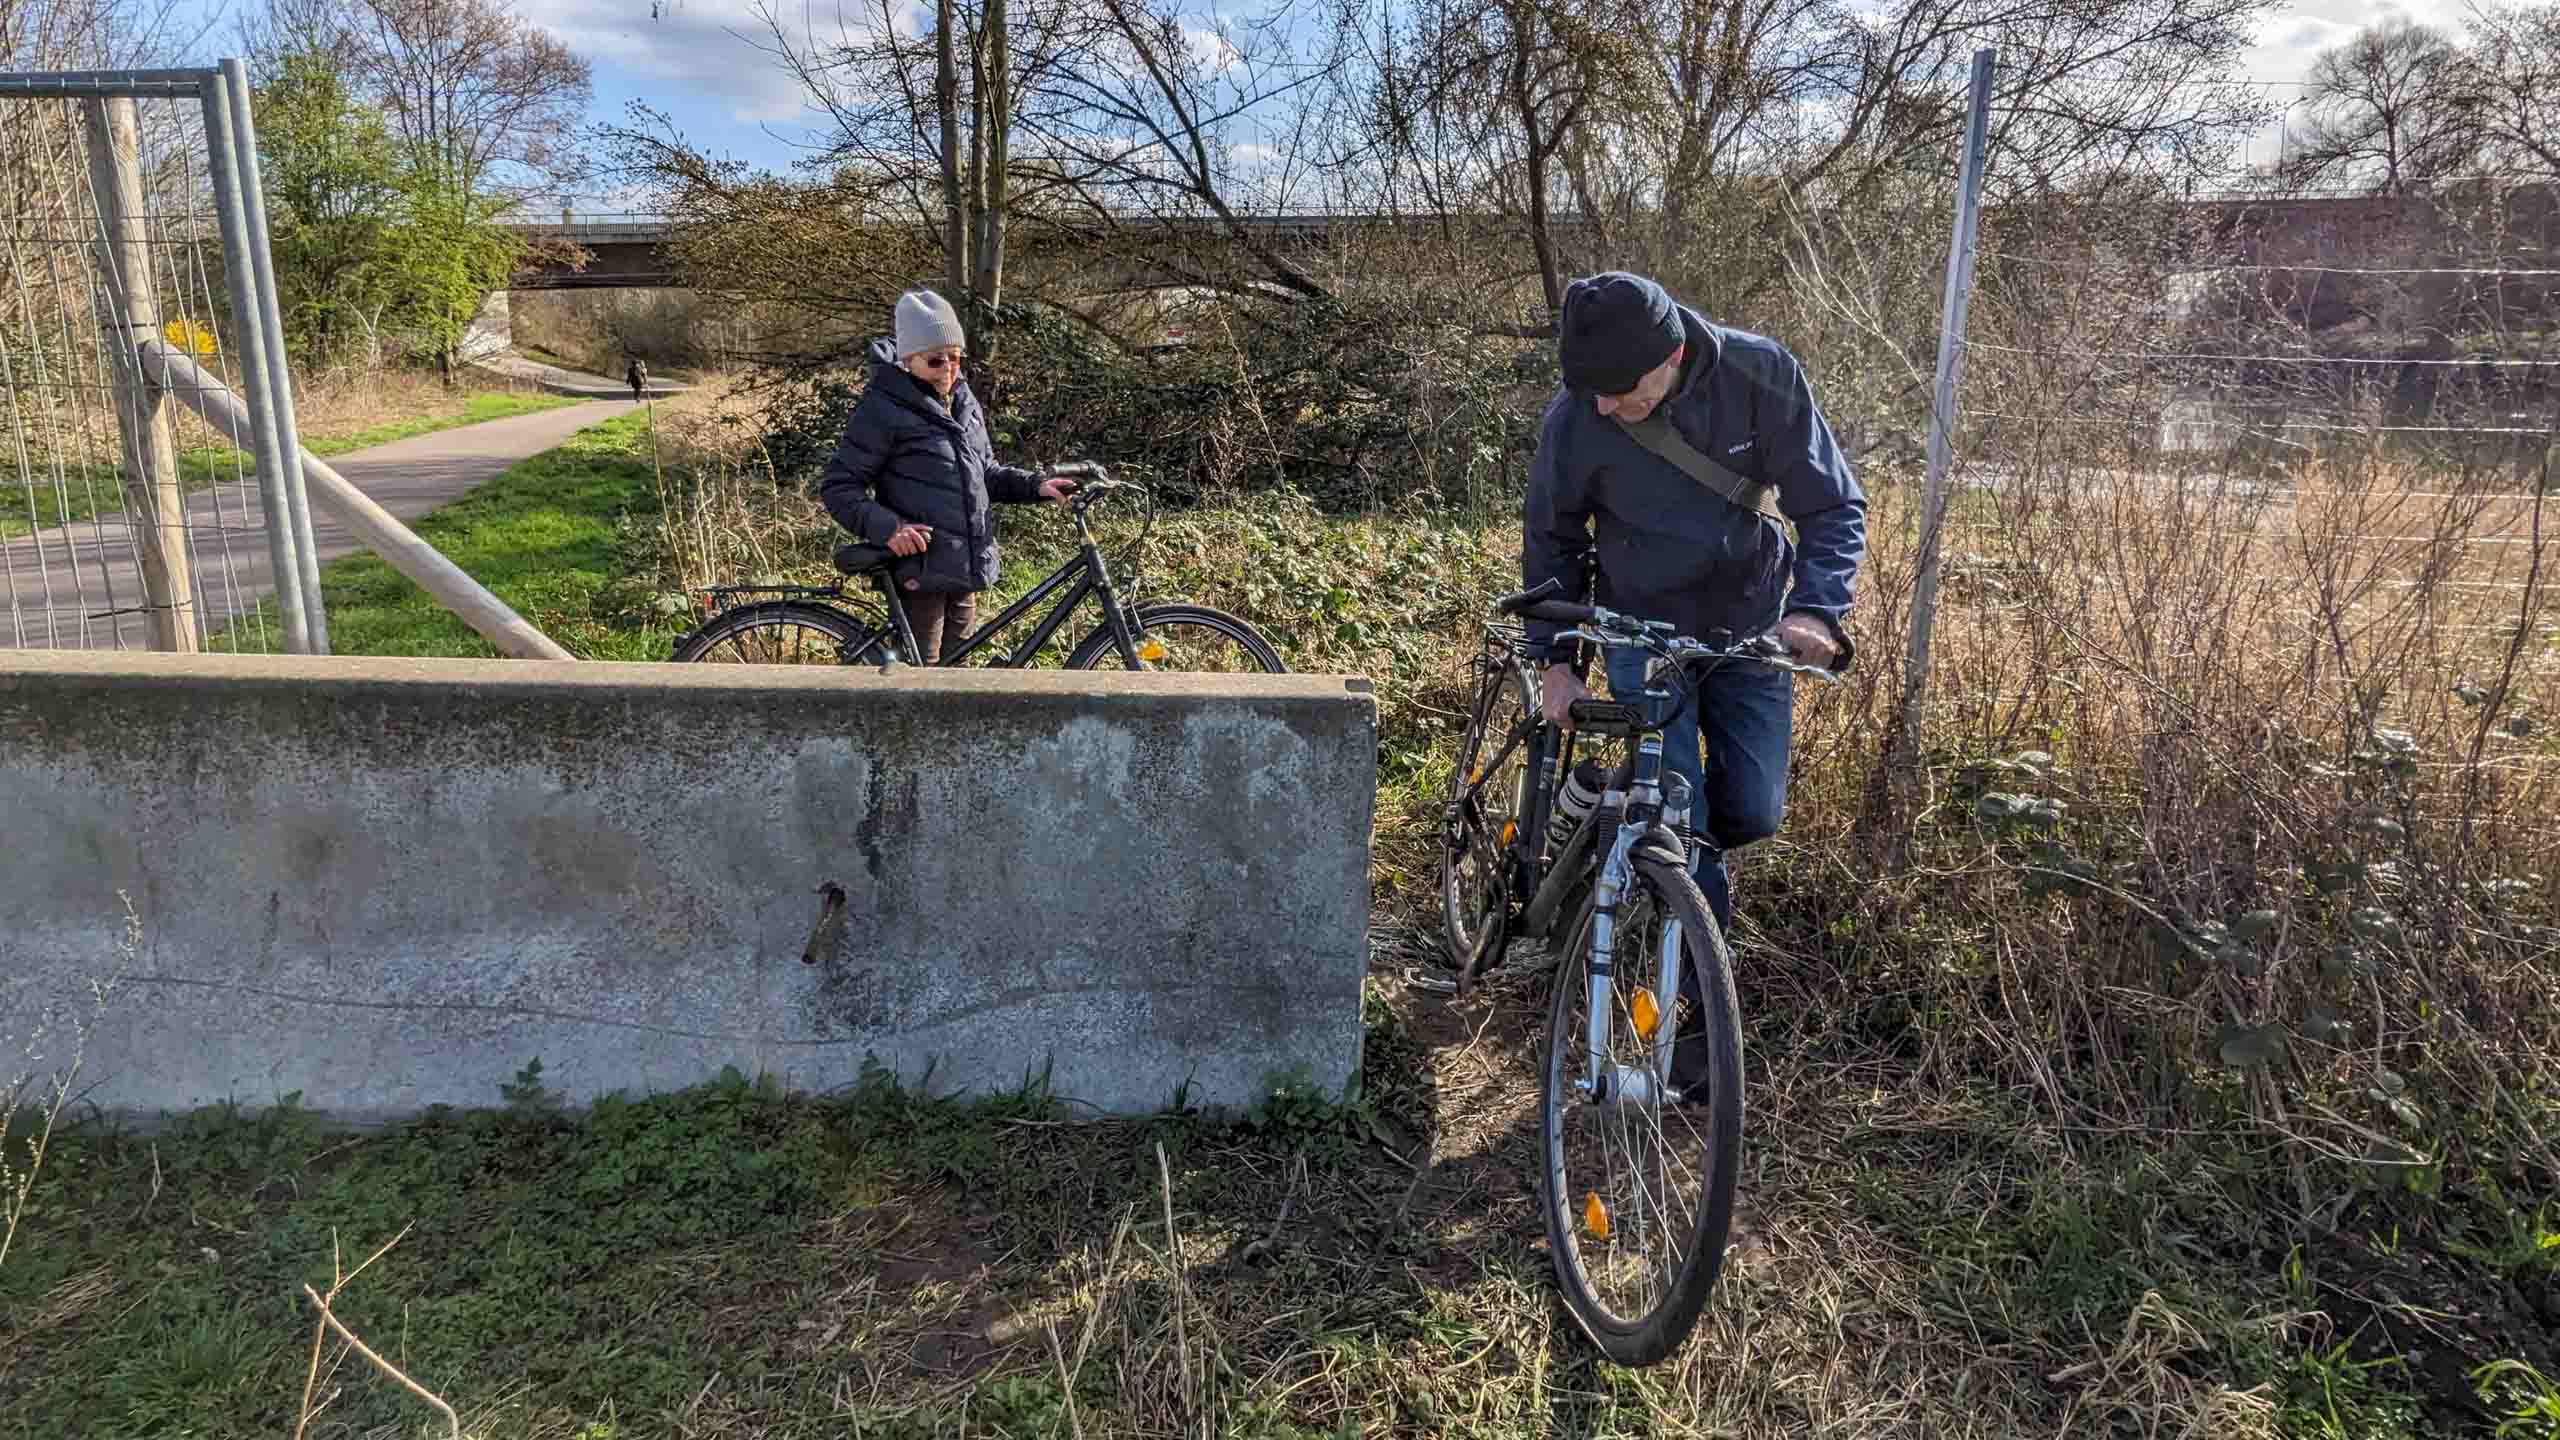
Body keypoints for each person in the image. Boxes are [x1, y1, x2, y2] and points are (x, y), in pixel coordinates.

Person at [1520, 271, 1867, 939]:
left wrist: (1817, 610)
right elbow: (1552, 541)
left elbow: (1830, 504)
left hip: (1748, 627)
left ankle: (1631, 844)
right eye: (1592, 393)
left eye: (1621, 394)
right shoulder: (1576, 418)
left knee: (1753, 810)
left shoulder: (1760, 374)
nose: (1603, 409)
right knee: (1679, 816)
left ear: (1671, 357)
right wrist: (1557, 663)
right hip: (1640, 630)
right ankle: (1697, 1009)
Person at [818, 290, 1076, 663]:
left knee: (958, 686)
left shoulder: (963, 402)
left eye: (955, 358)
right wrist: (890, 529)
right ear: (907, 360)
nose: (949, 369)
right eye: (936, 360)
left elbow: (985, 474)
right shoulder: (884, 407)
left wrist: (1036, 486)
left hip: (962, 568)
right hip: (919, 573)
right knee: (922, 693)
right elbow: (840, 486)